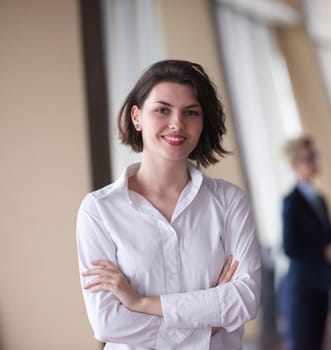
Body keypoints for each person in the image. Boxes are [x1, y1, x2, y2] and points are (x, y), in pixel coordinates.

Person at [76, 60, 261, 350]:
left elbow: (245, 301)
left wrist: (141, 302)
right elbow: (107, 323)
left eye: (191, 113)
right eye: (162, 110)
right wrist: (209, 321)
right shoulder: (99, 210)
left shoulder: (229, 201)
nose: (177, 123)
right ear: (137, 117)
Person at [281, 136, 331, 350]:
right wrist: (326, 253)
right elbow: (290, 247)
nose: (314, 162)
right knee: (302, 344)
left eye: (314, 157)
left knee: (317, 343)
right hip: (303, 286)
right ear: (294, 165)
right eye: (308, 158)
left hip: (321, 282)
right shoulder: (292, 201)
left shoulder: (320, 199)